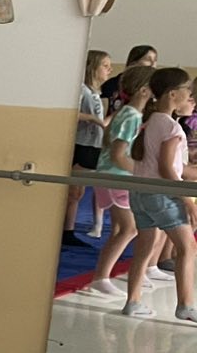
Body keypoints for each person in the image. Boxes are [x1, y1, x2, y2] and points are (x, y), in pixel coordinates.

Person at [122, 67, 197, 323]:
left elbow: (172, 166)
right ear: (173, 94)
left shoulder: (151, 121)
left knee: (145, 247)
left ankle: (133, 301)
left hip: (141, 194)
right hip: (162, 195)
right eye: (187, 92)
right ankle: (186, 305)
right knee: (188, 247)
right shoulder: (172, 127)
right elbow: (166, 169)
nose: (190, 97)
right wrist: (186, 199)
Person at [87, 63, 156, 296]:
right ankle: (101, 276)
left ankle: (103, 275)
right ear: (144, 90)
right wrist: (140, 172)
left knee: (120, 228)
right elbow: (118, 154)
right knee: (130, 228)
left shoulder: (129, 114)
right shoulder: (131, 116)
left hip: (112, 176)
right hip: (117, 177)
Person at [66, 51, 113, 247]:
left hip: (93, 143)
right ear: (92, 68)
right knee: (74, 190)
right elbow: (72, 113)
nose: (110, 70)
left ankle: (69, 229)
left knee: (78, 191)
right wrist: (93, 119)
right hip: (83, 144)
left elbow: (100, 121)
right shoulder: (82, 90)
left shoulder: (95, 93)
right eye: (105, 65)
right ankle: (67, 230)